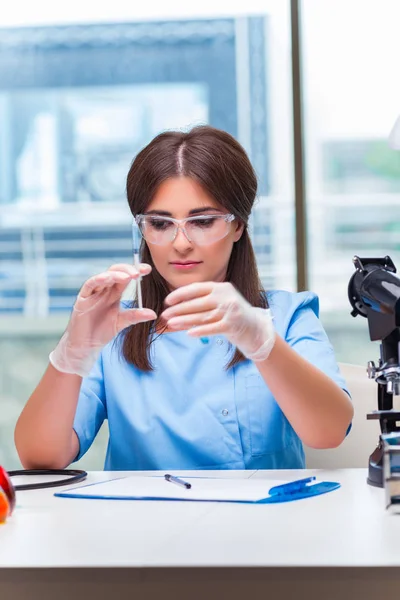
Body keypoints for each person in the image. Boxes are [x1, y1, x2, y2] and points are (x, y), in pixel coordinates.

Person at [15, 125, 353, 472]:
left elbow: (329, 432)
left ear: (239, 225)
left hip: (260, 522)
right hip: (139, 522)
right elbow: (42, 458)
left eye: (203, 221)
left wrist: (264, 344)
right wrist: (73, 351)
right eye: (160, 224)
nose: (180, 243)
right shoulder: (113, 328)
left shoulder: (286, 316)